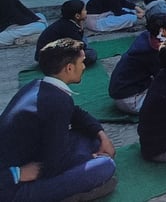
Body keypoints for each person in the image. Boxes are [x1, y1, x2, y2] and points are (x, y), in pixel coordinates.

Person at [0, 38, 117, 200]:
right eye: (82, 62)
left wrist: (102, 135)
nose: (84, 67)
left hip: (31, 157)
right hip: (12, 187)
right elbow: (52, 166)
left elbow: (75, 113)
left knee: (93, 139)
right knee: (105, 166)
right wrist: (90, 158)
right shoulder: (57, 102)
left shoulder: (37, 85)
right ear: (69, 68)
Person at [108, 12, 166, 114]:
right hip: (129, 100)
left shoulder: (147, 36)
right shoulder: (153, 51)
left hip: (121, 92)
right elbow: (165, 77)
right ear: (162, 31)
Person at [35, 0, 97, 66]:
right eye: (84, 10)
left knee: (83, 41)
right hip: (48, 59)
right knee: (91, 55)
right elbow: (80, 45)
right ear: (77, 16)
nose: (86, 11)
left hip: (54, 51)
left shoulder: (67, 22)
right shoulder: (68, 27)